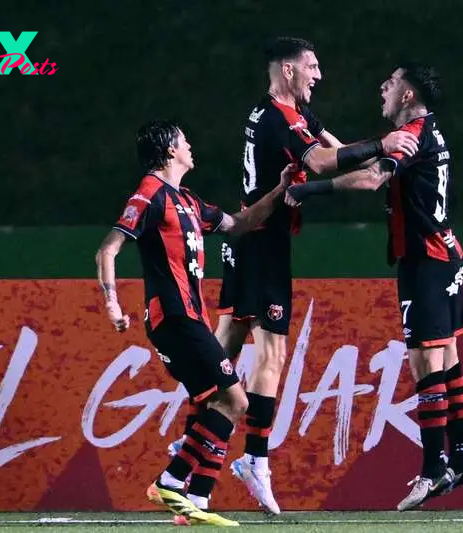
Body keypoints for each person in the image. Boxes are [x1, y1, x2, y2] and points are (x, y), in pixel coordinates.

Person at [167, 37, 419, 515]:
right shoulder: (280, 121)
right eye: (312, 67)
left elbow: (340, 151)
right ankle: (255, 460)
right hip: (264, 241)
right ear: (287, 71)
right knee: (273, 351)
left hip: (246, 239)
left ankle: (188, 450)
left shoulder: (280, 114)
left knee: (223, 348)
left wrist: (386, 164)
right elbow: (322, 162)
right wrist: (383, 145)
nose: (319, 75)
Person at [286, 64, 463, 511]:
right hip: (444, 252)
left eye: (391, 84)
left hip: (426, 260)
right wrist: (316, 129)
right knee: (447, 356)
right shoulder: (426, 129)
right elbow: (373, 160)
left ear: (408, 95)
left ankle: (434, 471)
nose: (383, 88)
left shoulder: (412, 133)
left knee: (424, 361)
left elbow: (374, 176)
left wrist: (310, 190)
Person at [95, 119, 295, 526]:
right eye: (185, 140)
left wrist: (279, 191)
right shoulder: (149, 194)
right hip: (174, 317)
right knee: (236, 401)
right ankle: (170, 483)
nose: (191, 145)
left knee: (213, 406)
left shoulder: (187, 200)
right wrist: (113, 305)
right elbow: (107, 250)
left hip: (192, 319)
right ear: (169, 149)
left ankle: (197, 503)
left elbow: (238, 225)